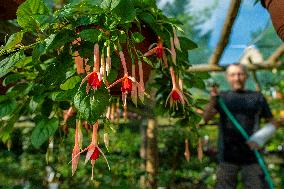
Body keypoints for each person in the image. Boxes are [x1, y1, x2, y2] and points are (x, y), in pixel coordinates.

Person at [203, 63, 279, 189]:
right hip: (227, 156)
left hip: (252, 155)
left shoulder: (257, 97)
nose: (237, 78)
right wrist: (212, 100)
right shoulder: (222, 97)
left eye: (240, 74)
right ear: (227, 77)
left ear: (246, 76)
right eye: (233, 75)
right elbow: (205, 119)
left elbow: (273, 122)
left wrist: (259, 139)